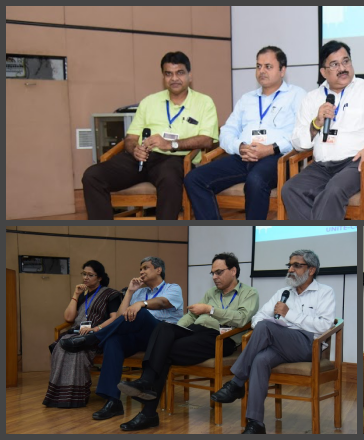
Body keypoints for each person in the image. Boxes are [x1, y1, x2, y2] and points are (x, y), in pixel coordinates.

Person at [113, 252, 259, 431]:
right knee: (164, 328)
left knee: (163, 352)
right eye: (212, 273)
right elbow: (191, 315)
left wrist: (211, 310)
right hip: (195, 332)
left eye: (219, 272)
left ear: (233, 271)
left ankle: (148, 402)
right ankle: (147, 395)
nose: (214, 277)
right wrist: (179, 331)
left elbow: (242, 319)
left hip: (220, 338)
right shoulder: (211, 292)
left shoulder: (249, 293)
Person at [209, 250, 335, 434]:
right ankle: (255, 423)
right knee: (260, 359)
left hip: (309, 346)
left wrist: (288, 314)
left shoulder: (324, 292)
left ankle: (236, 382)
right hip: (280, 343)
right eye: (289, 265)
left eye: (297, 265)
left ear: (311, 270)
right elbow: (257, 318)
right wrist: (277, 326)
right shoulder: (283, 293)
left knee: (266, 327)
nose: (291, 269)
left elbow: (324, 326)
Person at [83, 51, 219, 220]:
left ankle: (163, 237)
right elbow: (131, 138)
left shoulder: (204, 102)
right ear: (163, 77)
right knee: (92, 176)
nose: (174, 78)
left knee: (170, 180)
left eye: (180, 73)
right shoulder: (149, 102)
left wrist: (171, 144)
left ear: (190, 76)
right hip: (140, 158)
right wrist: (135, 150)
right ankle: (104, 235)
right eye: (168, 74)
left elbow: (207, 140)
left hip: (175, 159)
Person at [282, 40, 364, 220]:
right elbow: (298, 142)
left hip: (358, 162)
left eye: (346, 61)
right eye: (334, 64)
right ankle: (315, 236)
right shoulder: (312, 98)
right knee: (291, 189)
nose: (342, 68)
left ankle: (321, 240)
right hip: (322, 166)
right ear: (323, 72)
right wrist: (316, 124)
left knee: (333, 191)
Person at [184, 46, 306, 220]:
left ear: (282, 70)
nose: (262, 71)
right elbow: (227, 131)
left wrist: (271, 148)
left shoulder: (297, 95)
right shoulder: (247, 99)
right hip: (244, 156)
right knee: (194, 179)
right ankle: (216, 233)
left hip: (278, 158)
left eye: (268, 66)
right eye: (258, 66)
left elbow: (301, 133)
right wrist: (239, 147)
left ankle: (251, 235)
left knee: (255, 181)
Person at [59, 256, 183, 421]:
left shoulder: (172, 288)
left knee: (141, 313)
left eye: (145, 268)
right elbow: (119, 317)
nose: (141, 272)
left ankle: (93, 338)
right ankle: (112, 401)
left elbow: (162, 303)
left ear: (158, 270)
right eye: (140, 269)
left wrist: (141, 304)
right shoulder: (139, 292)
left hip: (161, 337)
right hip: (139, 337)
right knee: (113, 342)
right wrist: (130, 292)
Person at [42, 261, 122, 408]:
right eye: (84, 274)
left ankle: (75, 396)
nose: (86, 277)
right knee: (61, 347)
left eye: (90, 275)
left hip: (97, 336)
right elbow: (69, 318)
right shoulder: (82, 295)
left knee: (77, 350)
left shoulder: (111, 294)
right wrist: (75, 294)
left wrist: (96, 329)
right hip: (76, 333)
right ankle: (58, 396)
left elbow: (115, 318)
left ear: (99, 278)